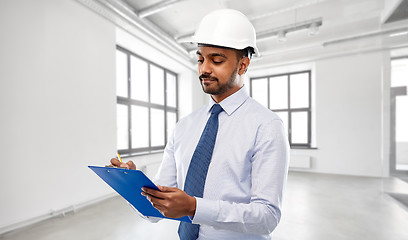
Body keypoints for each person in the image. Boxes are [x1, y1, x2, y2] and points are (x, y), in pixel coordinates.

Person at [110, 9, 289, 240]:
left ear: (243, 65)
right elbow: (155, 209)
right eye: (200, 59)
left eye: (216, 60)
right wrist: (134, 186)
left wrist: (194, 207)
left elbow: (267, 217)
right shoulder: (185, 126)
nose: (204, 69)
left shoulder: (266, 126)